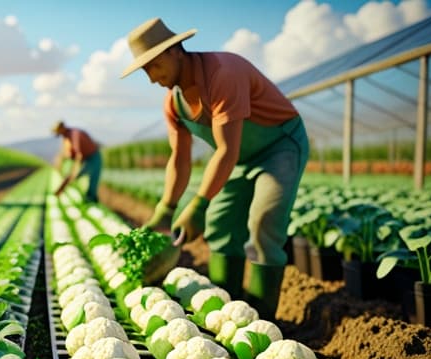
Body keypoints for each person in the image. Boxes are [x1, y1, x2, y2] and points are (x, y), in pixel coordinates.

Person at [123, 18, 309, 320]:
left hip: (280, 146)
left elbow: (226, 150)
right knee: (220, 224)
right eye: (145, 71)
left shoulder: (223, 73)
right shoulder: (174, 103)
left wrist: (197, 205)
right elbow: (179, 159)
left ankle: (262, 319)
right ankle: (229, 310)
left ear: (175, 51)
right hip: (239, 158)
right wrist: (166, 209)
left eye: (154, 66)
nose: (152, 78)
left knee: (264, 223)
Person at [52, 120, 103, 203]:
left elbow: (79, 155)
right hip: (84, 158)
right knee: (74, 176)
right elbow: (67, 152)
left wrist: (75, 169)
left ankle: (91, 199)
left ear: (62, 128)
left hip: (93, 157)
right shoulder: (66, 137)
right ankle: (89, 197)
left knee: (90, 178)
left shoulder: (75, 134)